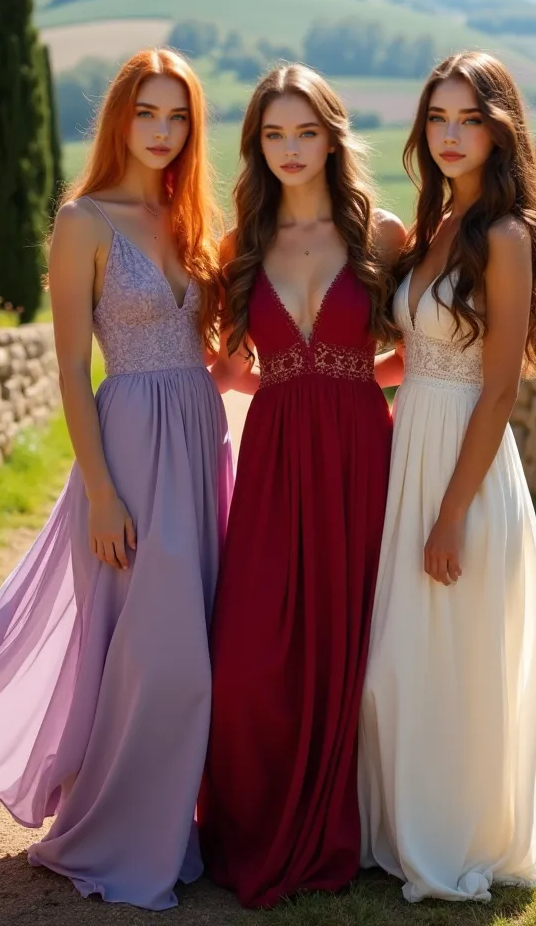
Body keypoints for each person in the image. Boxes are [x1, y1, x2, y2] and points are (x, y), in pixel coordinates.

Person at [0, 48, 233, 910]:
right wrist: (103, 492)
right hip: (131, 449)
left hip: (199, 436)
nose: (163, 130)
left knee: (197, 640)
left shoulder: (188, 220)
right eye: (148, 112)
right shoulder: (84, 220)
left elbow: (214, 350)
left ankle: (173, 828)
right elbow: (74, 370)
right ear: (119, 117)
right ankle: (114, 836)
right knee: (156, 657)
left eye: (178, 116)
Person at [359, 51, 536, 903]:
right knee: (401, 660)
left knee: (449, 655)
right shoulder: (435, 226)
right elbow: (415, 357)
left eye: (470, 120)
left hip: (465, 463)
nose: (451, 135)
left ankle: (460, 831)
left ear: (500, 130)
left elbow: (497, 387)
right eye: (438, 119)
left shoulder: (505, 234)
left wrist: (451, 513)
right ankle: (404, 820)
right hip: (409, 445)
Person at [198, 63, 405, 908]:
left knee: (359, 642)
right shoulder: (240, 244)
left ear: (332, 135)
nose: (290, 149)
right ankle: (254, 819)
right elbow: (222, 369)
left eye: (305, 132)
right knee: (248, 657)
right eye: (274, 134)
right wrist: (282, 381)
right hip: (276, 462)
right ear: (257, 145)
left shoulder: (382, 234)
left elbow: (416, 349)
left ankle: (347, 822)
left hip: (364, 452)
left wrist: (349, 377)